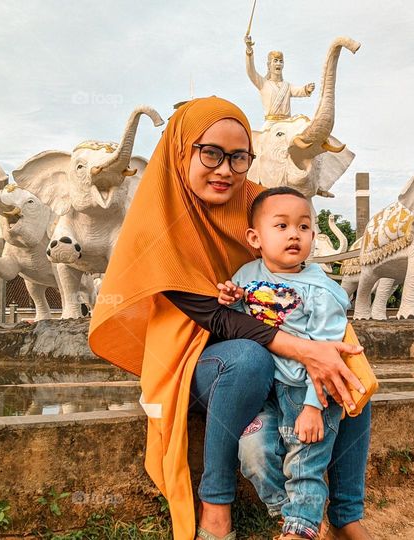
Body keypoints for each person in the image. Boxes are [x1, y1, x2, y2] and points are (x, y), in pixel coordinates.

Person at [88, 96, 373, 540]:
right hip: (202, 363)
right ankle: (215, 507)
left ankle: (346, 514)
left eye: (238, 157)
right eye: (211, 154)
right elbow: (220, 322)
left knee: (349, 367)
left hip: (275, 348)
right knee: (246, 358)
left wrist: (332, 349)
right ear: (183, 152)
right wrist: (306, 350)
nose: (225, 170)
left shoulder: (257, 205)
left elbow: (301, 281)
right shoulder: (159, 223)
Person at [216, 186, 353, 539]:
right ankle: (289, 513)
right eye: (282, 226)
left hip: (308, 391)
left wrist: (313, 408)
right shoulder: (246, 275)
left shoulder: (322, 290)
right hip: (266, 390)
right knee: (252, 451)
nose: (295, 234)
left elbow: (328, 354)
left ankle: (300, 528)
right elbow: (237, 325)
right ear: (255, 237)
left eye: (304, 227)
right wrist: (229, 301)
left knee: (304, 463)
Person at [245, 34, 315, 123]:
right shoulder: (263, 83)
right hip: (270, 125)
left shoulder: (287, 86)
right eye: (275, 61)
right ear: (269, 65)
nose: (278, 64)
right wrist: (249, 50)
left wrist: (306, 89)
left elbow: (298, 90)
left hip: (287, 124)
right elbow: (251, 70)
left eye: (281, 61)